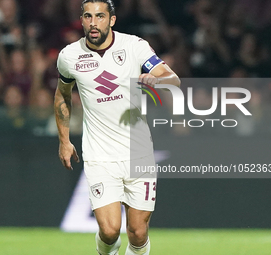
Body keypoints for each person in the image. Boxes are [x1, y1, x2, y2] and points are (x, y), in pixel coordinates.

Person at [54, 1, 180, 254]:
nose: (93, 22)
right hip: (99, 156)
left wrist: (156, 79)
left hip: (138, 152)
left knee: (138, 232)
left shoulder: (134, 47)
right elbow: (62, 95)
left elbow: (173, 79)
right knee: (110, 230)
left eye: (100, 16)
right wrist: (64, 141)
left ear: (111, 20)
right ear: (81, 20)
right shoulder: (69, 56)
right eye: (88, 16)